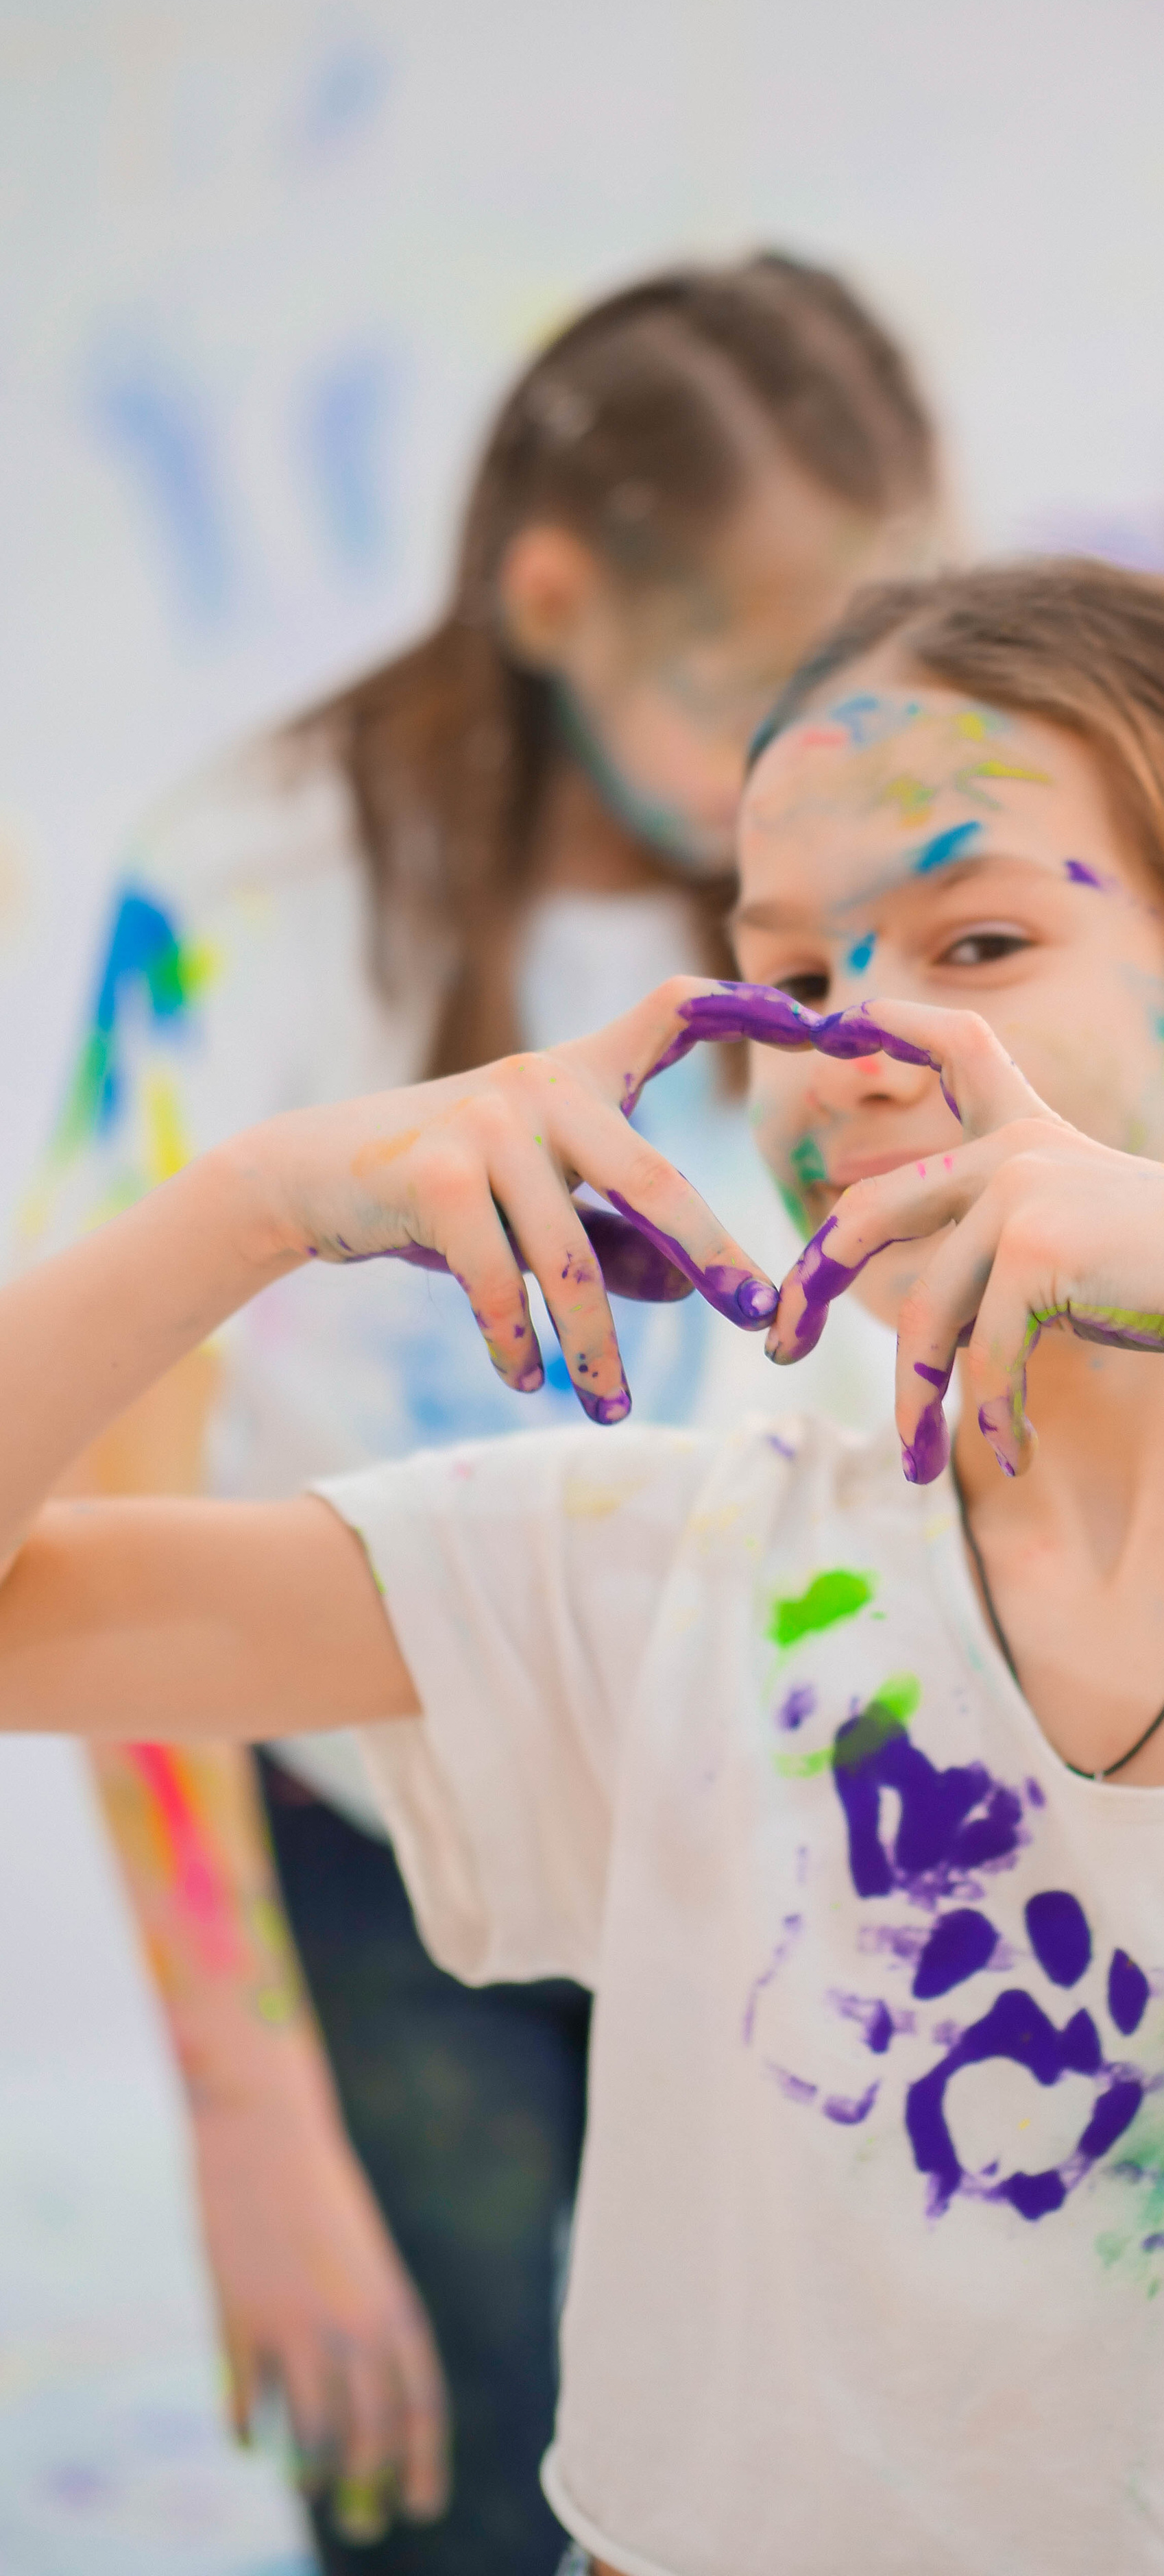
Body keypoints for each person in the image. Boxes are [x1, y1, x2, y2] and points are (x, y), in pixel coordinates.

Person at [6, 556, 1164, 2576]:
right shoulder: (686, 1571)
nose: (852, 1046)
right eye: (795, 975)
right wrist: (248, 1202)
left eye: (982, 936)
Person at [20, 252, 939, 2572]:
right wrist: (250, 2116)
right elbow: (97, 1499)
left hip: (751, 1785)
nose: (815, 753)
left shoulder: (846, 894)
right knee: (442, 2478)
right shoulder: (259, 891)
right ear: (554, 596)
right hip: (367, 1799)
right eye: (760, 684)